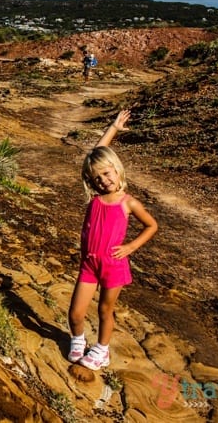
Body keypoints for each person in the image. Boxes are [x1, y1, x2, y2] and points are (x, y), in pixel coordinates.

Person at [67, 109, 158, 370]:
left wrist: (130, 247)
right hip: (89, 264)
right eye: (97, 178)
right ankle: (78, 340)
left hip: (113, 265)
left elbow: (152, 226)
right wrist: (113, 128)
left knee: (105, 311)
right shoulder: (95, 197)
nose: (103, 180)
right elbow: (94, 157)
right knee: (75, 313)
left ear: (117, 170)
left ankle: (102, 350)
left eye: (107, 174)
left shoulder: (128, 202)